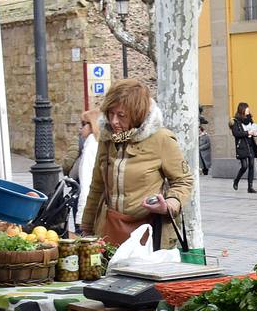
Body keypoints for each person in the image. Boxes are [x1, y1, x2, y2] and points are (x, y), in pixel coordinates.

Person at [80, 78, 193, 248]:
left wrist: (169, 205)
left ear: (137, 113)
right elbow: (97, 186)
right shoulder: (108, 139)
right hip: (109, 231)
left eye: (121, 115)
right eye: (110, 113)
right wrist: (87, 228)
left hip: (149, 232)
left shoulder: (161, 139)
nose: (114, 121)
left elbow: (183, 181)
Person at [230, 102, 257, 193]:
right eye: (247, 108)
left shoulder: (249, 119)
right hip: (242, 145)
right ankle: (236, 180)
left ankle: (250, 187)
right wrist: (248, 133)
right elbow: (236, 134)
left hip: (250, 144)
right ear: (242, 109)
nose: (248, 110)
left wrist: (255, 133)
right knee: (244, 166)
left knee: (251, 165)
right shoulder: (236, 121)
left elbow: (253, 130)